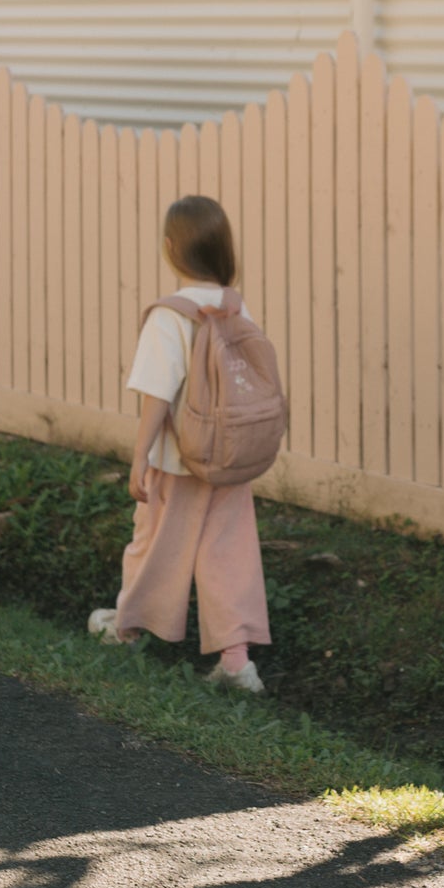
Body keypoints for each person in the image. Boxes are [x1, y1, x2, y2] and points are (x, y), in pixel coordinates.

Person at [87, 195, 271, 693]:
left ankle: (125, 627)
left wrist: (140, 455)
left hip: (180, 459)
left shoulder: (169, 317)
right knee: (228, 555)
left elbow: (156, 395)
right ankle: (237, 662)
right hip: (230, 459)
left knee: (153, 544)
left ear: (171, 248)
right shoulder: (237, 307)